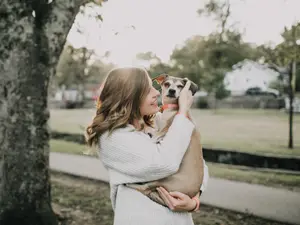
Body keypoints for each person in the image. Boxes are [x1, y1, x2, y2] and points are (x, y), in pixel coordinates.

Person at [86, 67, 209, 225]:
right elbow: (165, 163)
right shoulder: (112, 137)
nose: (157, 92)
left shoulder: (159, 121)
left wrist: (193, 201)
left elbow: (197, 162)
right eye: (147, 89)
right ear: (129, 96)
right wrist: (183, 111)